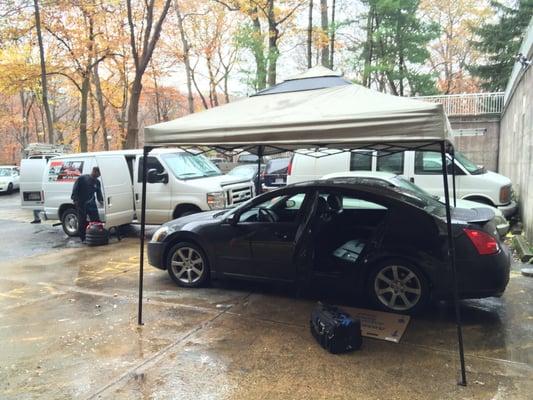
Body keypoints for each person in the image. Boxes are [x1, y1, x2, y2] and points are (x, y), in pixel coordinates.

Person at [71, 167, 103, 241]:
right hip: (81, 203)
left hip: (92, 204)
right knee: (82, 221)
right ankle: (83, 238)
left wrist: (101, 200)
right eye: (99, 173)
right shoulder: (82, 178)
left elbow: (99, 192)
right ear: (94, 171)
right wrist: (75, 200)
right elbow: (75, 189)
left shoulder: (97, 182)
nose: (99, 175)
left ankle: (95, 236)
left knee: (96, 220)